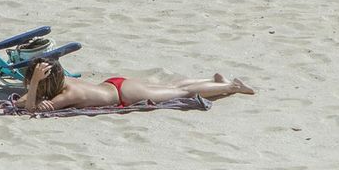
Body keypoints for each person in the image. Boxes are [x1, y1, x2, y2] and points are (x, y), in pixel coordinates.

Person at [17, 58, 253, 114]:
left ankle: (233, 86)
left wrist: (35, 84)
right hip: (117, 84)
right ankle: (216, 82)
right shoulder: (62, 83)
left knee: (183, 92)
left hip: (126, 94)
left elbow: (31, 109)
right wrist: (34, 90)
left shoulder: (69, 94)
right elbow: (25, 100)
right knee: (172, 85)